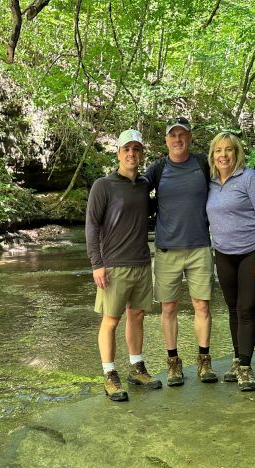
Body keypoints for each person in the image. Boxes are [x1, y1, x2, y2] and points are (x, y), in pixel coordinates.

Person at [85, 129, 161, 401]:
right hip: (113, 265)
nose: (132, 153)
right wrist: (97, 263)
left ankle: (137, 368)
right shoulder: (103, 186)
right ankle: (109, 374)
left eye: (137, 149)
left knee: (137, 316)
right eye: (126, 149)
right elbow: (92, 226)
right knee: (111, 320)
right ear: (117, 153)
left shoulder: (143, 186)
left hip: (141, 262)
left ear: (141, 154)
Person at [145, 116, 217, 387]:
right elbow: (137, 191)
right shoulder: (158, 168)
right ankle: (173, 363)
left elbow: (225, 184)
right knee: (169, 307)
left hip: (200, 246)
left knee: (202, 305)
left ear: (190, 137)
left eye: (182, 135)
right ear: (166, 140)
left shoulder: (202, 164)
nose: (178, 140)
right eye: (173, 135)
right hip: (166, 249)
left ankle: (204, 360)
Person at [205, 132, 255, 392]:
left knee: (246, 308)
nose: (223, 155)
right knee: (232, 308)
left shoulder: (250, 179)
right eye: (218, 151)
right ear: (213, 156)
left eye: (228, 150)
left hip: (251, 252)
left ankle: (246, 367)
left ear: (237, 153)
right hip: (223, 252)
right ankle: (237, 359)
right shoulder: (210, 182)